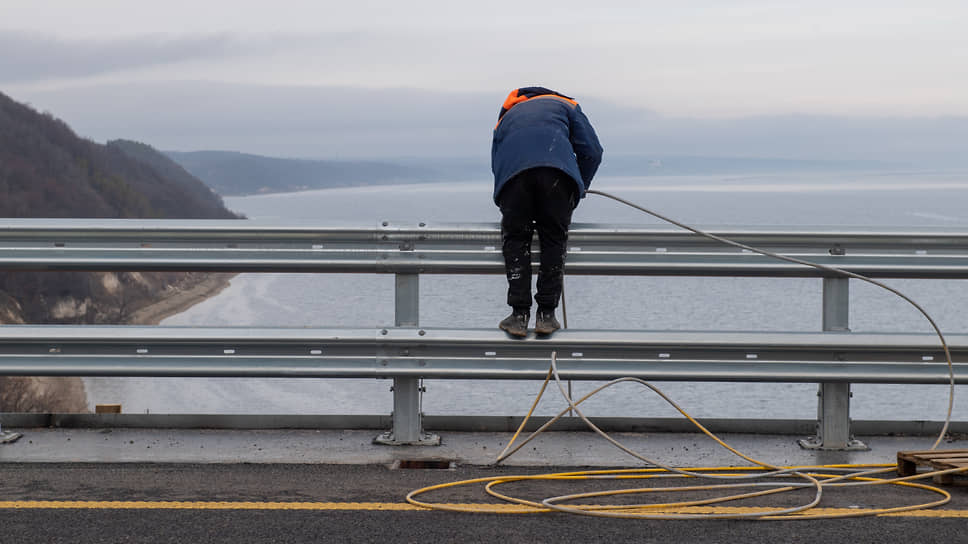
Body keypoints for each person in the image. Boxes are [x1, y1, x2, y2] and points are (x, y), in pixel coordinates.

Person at [491, 86, 603, 337]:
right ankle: (547, 316)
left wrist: (506, 202)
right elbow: (592, 152)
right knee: (553, 239)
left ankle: (518, 316)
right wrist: (578, 188)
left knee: (516, 239)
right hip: (557, 176)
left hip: (514, 179)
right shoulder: (567, 106)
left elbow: (497, 162)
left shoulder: (507, 117)